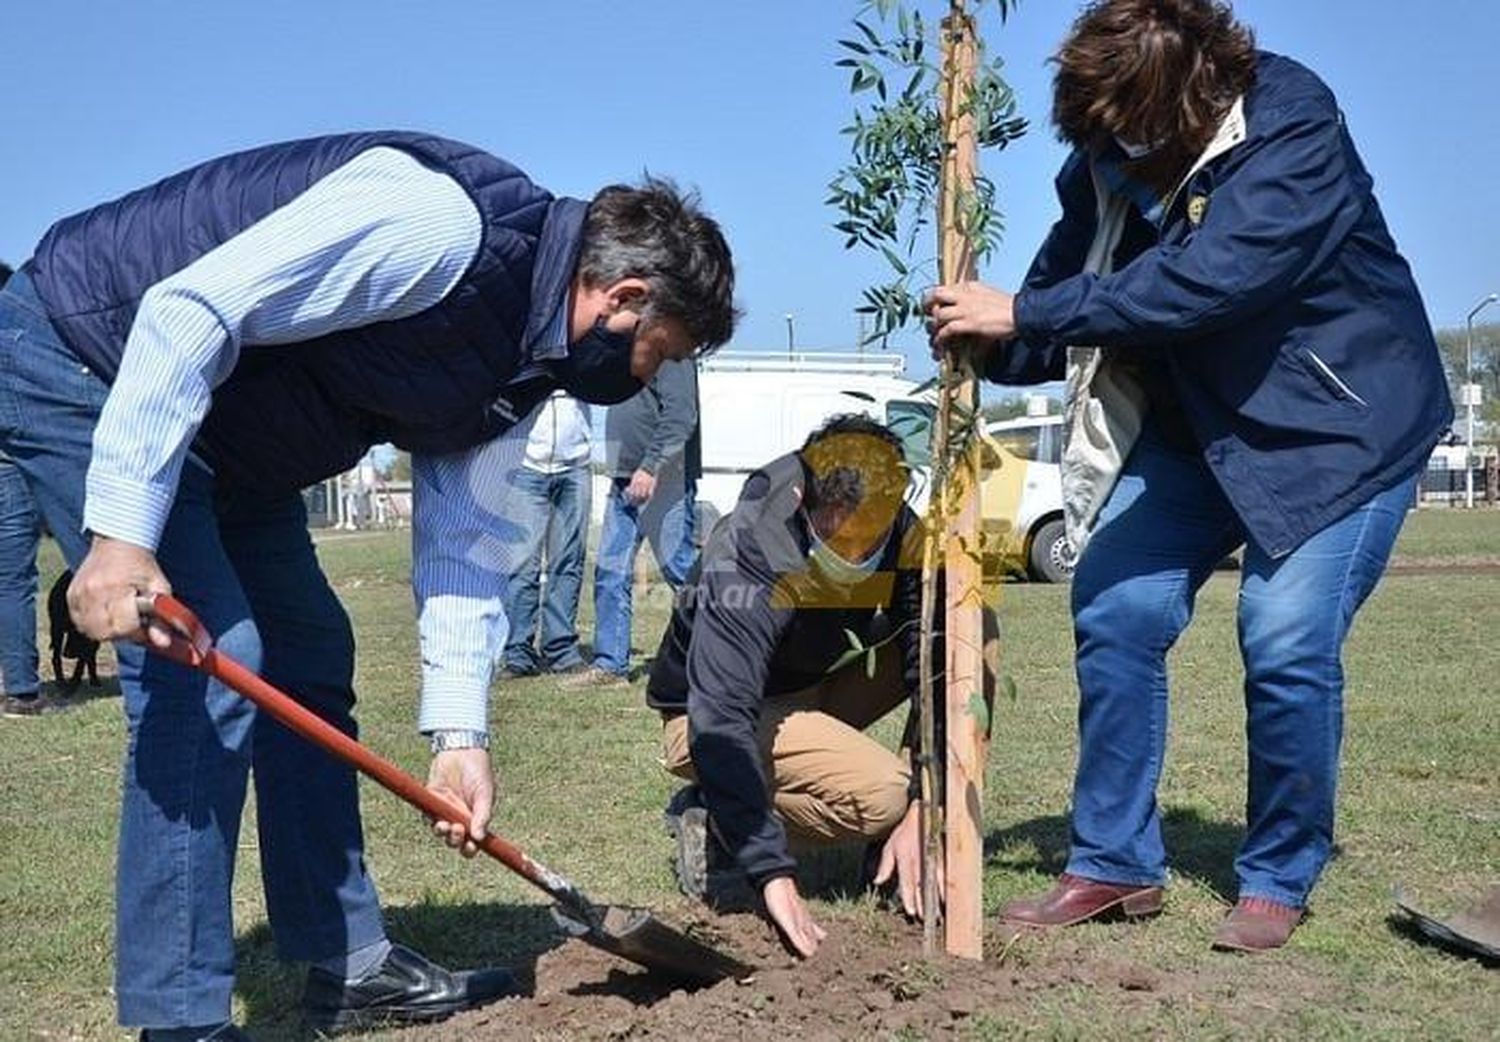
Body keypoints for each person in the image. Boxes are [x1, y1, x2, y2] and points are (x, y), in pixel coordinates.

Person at [0, 131, 736, 1041]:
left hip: (234, 441)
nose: (647, 378)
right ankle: (181, 1020)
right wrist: (117, 534)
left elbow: (465, 538)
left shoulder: (525, 363)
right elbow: (186, 312)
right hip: (90, 350)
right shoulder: (436, 226)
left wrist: (460, 733)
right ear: (621, 297)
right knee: (209, 665)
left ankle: (346, 965)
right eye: (654, 354)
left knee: (310, 652)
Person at [927, 0, 1451, 952]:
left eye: (1129, 128)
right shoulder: (1107, 156)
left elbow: (1210, 281)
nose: (1115, 149)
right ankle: (1114, 865)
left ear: (1183, 98)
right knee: (1115, 610)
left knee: (1285, 638)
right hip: (1193, 431)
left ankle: (1278, 875)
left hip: (1338, 430)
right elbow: (1063, 288)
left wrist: (1029, 316)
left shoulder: (1293, 125)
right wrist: (987, 341)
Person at [645, 415, 950, 959]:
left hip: (815, 681)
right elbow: (721, 715)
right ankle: (719, 826)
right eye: (838, 537)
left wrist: (929, 800)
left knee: (969, 637)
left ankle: (903, 828)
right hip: (708, 715)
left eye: (869, 539)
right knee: (883, 794)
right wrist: (768, 869)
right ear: (801, 497)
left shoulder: (899, 525)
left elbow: (927, 652)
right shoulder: (749, 551)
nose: (855, 558)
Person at [568, 357, 701, 687]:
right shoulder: (630, 350)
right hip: (625, 476)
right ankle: (611, 665)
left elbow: (681, 417)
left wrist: (651, 466)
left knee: (682, 571)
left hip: (662, 479)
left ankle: (727, 653)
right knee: (611, 572)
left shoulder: (673, 352)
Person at [499, 390, 592, 677]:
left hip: (576, 466)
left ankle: (560, 649)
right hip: (526, 466)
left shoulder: (585, 352)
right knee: (521, 564)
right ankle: (518, 653)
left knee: (568, 561)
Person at [0, 259, 56, 719]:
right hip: (17, 456)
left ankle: (20, 687)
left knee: (11, 578)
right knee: (14, 579)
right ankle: (21, 690)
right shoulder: (18, 338)